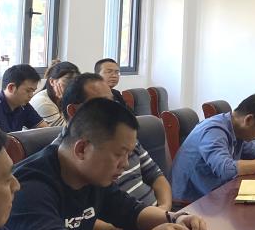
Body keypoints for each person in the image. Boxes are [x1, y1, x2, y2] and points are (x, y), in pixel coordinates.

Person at [6, 98, 206, 230]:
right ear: (82, 149)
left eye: (129, 154)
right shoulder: (28, 184)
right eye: (119, 154)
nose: (125, 164)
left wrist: (175, 218)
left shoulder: (92, 176)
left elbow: (131, 211)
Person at [57, 73, 172, 210]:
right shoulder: (64, 157)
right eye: (103, 104)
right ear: (73, 111)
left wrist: (164, 210)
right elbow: (81, 216)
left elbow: (156, 175)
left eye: (113, 102)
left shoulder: (124, 136)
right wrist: (153, 220)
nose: (125, 163)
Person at [170, 94, 255, 203]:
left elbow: (253, 151)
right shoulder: (213, 131)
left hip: (215, 194)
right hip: (189, 203)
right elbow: (226, 169)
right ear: (249, 120)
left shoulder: (234, 127)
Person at [0, 64, 49, 133]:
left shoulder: (23, 106)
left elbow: (45, 130)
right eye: (28, 91)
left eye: (33, 91)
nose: (31, 95)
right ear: (11, 88)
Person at [30, 60, 79, 127]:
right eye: (67, 81)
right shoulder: (43, 103)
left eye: (75, 83)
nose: (71, 87)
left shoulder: (66, 99)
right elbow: (67, 130)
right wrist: (66, 101)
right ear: (52, 81)